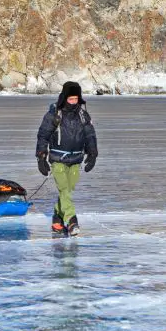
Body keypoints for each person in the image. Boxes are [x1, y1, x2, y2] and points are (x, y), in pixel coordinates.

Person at [36, 81, 98, 236]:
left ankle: (57, 219)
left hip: (76, 159)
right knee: (64, 189)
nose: (73, 102)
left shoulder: (83, 115)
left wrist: (93, 153)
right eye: (70, 99)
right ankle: (72, 221)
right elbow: (43, 136)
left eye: (76, 99)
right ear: (64, 98)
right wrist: (41, 157)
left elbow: (90, 135)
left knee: (67, 192)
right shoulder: (54, 114)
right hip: (58, 158)